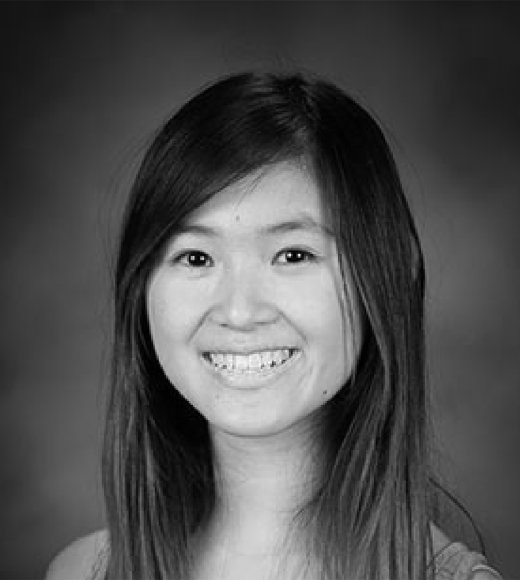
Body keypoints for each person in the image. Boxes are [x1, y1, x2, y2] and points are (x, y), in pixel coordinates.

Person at [45, 71, 502, 580]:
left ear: (388, 274)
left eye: (293, 254)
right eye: (196, 257)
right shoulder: (81, 572)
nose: (239, 311)